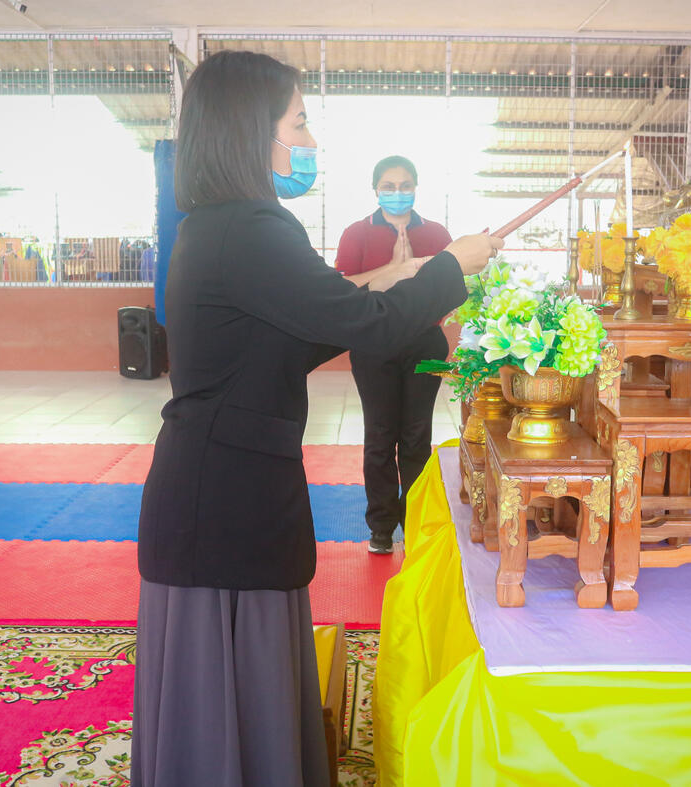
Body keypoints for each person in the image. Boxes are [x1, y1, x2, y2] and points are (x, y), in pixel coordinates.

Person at [131, 50, 501, 787]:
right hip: (224, 495)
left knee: (246, 675)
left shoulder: (220, 225)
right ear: (252, 131)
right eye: (298, 122)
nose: (309, 141)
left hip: (229, 479)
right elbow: (367, 325)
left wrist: (403, 274)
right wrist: (449, 267)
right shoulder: (252, 228)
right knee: (230, 675)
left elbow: (306, 329)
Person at [335, 156, 453, 554]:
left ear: (415, 188)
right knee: (380, 435)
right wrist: (392, 269)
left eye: (405, 186)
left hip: (424, 342)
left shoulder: (437, 233)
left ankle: (416, 524)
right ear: (375, 189)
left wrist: (419, 277)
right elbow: (345, 289)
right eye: (389, 186)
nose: (397, 193)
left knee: (417, 437)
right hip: (374, 343)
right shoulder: (356, 233)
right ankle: (382, 527)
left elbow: (451, 286)